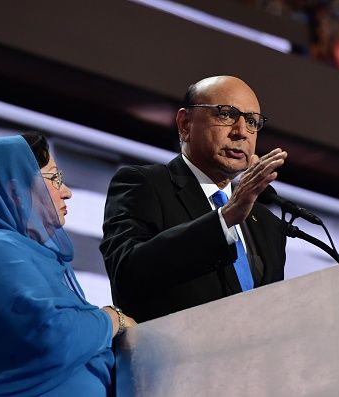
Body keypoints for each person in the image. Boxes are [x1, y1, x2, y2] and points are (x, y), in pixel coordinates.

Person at [0, 133, 136, 396]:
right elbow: (52, 336)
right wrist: (112, 318)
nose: (67, 192)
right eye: (55, 178)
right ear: (15, 192)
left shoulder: (15, 252)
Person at [100, 76, 289, 322]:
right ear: (185, 124)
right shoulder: (144, 184)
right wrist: (224, 219)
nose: (241, 132)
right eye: (226, 114)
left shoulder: (266, 223)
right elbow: (126, 274)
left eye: (252, 121)